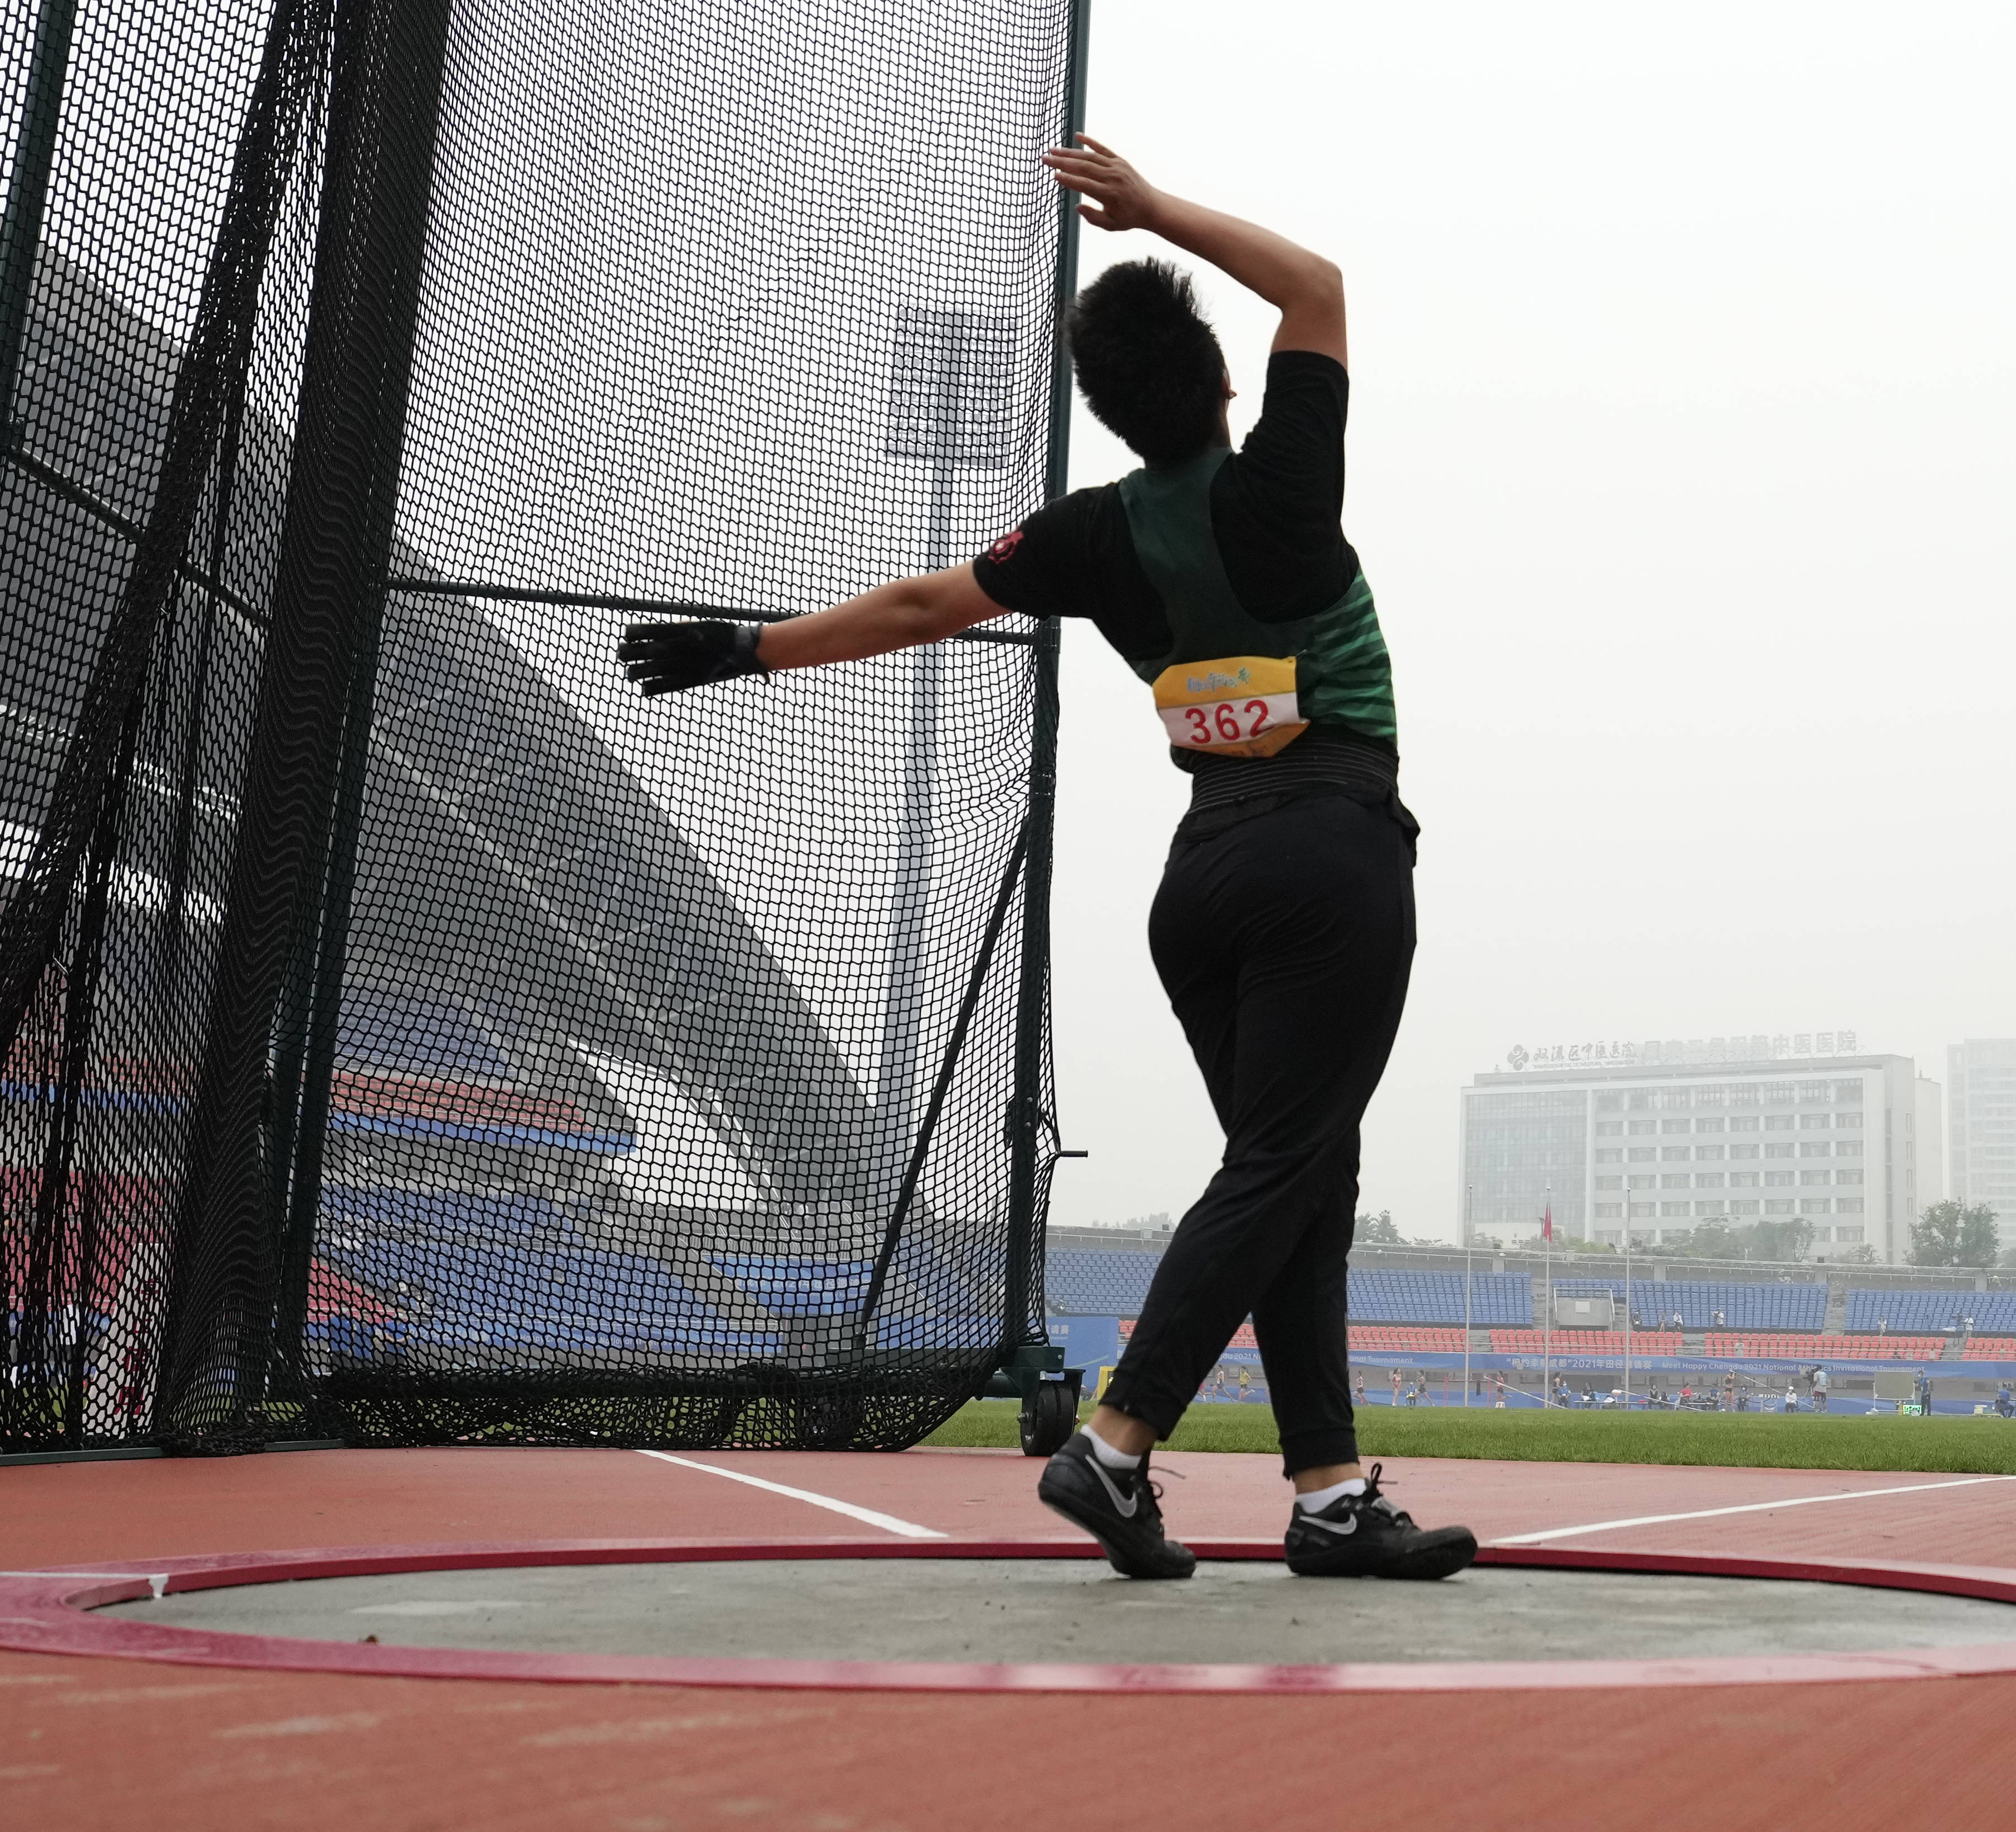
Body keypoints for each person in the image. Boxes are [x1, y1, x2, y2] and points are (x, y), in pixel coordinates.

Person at [620, 138, 1469, 1586]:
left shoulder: (1091, 536)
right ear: (1216, 388)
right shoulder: (1282, 486)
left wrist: (751, 647)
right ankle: (1119, 1442)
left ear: (1114, 413)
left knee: (1299, 1179)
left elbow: (922, 598)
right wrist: (1152, 213)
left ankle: (1328, 1499)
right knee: (1282, 1165)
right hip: (1330, 851)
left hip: (1202, 885)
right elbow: (1315, 286)